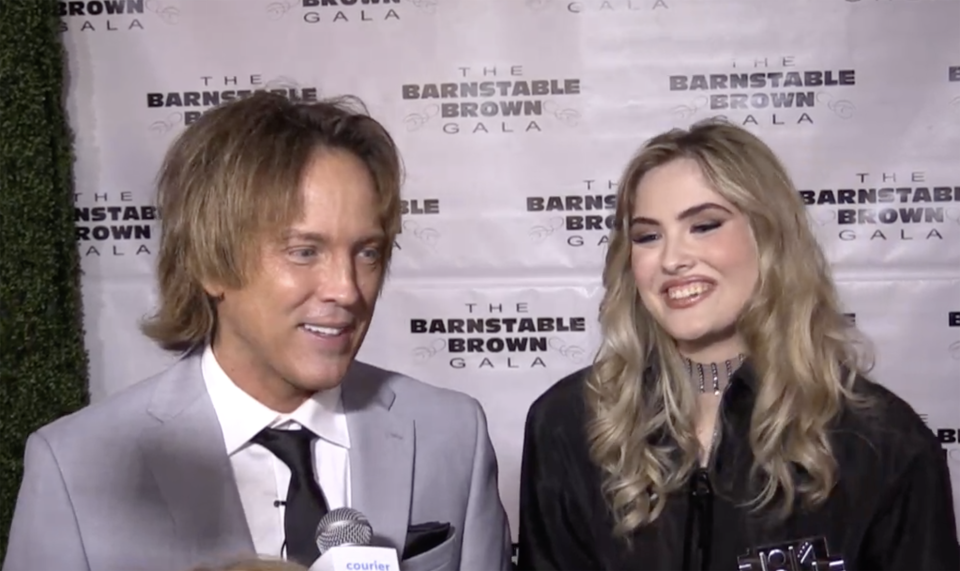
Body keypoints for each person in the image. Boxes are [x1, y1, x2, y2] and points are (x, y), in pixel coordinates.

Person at [3, 92, 512, 571]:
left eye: (367, 252)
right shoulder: (77, 467)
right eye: (304, 251)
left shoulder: (450, 434)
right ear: (210, 263)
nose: (347, 289)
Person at [516, 118, 960, 570]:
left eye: (704, 226)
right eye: (648, 236)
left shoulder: (885, 442)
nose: (671, 259)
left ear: (769, 238)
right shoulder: (566, 424)